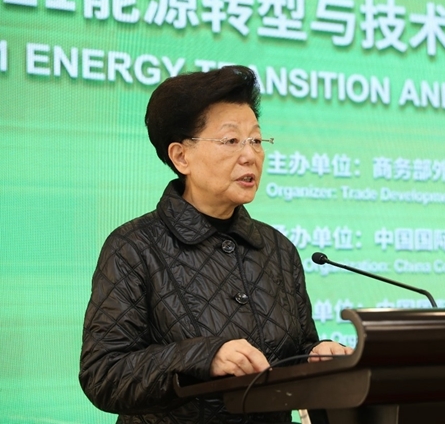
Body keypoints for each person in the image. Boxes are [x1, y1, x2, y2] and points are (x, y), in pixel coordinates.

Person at [79, 65, 352, 423]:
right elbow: (103, 374)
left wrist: (318, 355)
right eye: (231, 141)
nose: (250, 155)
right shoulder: (134, 247)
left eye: (256, 140)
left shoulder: (278, 249)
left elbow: (293, 351)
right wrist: (203, 356)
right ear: (181, 156)